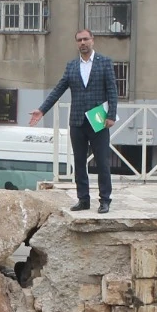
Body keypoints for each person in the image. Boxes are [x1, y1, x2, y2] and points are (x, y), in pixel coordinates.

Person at [30, 28, 118, 213]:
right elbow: (58, 89)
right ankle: (83, 199)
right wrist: (42, 110)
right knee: (79, 162)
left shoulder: (105, 63)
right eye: (79, 40)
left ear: (92, 40)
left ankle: (105, 200)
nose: (83, 43)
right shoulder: (71, 66)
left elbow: (112, 91)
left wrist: (111, 116)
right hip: (77, 121)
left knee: (102, 161)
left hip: (98, 120)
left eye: (86, 39)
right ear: (76, 43)